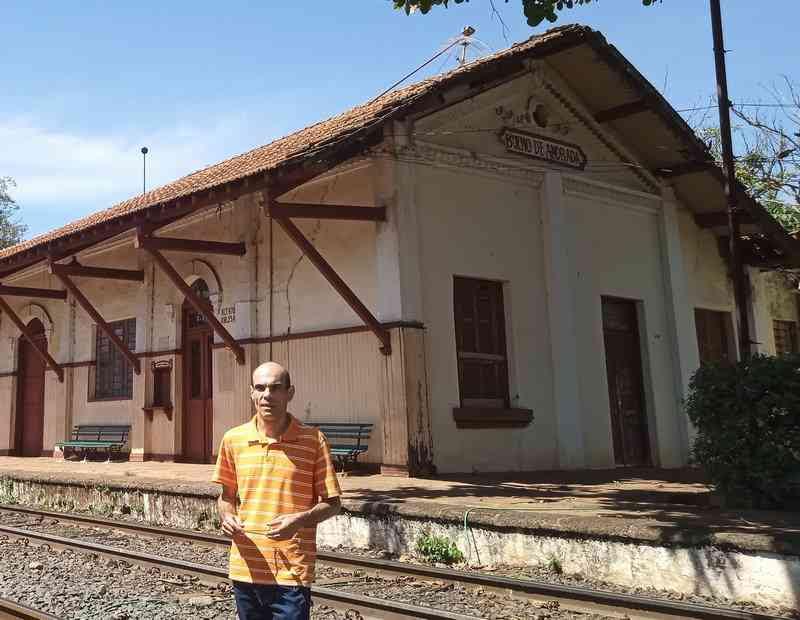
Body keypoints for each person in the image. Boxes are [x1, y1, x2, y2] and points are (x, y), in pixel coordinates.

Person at [212, 361, 342, 620]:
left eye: (275, 388)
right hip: (245, 568)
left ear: (289, 393)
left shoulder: (313, 440)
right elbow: (226, 498)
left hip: (291, 572)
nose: (267, 395)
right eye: (260, 388)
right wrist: (227, 516)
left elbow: (333, 503)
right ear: (251, 392)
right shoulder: (233, 440)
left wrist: (300, 519)